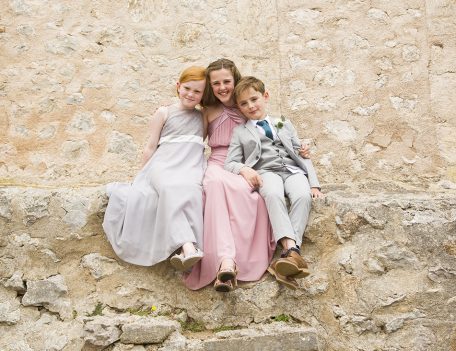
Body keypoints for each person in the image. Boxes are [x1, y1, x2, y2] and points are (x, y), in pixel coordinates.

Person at [184, 59, 311, 292]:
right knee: (214, 184)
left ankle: (271, 256)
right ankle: (225, 260)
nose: (222, 87)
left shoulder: (247, 107)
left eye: (226, 82)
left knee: (255, 195)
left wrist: (299, 151)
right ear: (211, 87)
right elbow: (193, 141)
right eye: (216, 83)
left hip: (250, 165)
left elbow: (275, 135)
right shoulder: (208, 111)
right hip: (219, 164)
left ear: (235, 80)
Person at [102, 66, 206, 271]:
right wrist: (142, 174)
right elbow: (150, 146)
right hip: (162, 165)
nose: (191, 94)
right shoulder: (164, 112)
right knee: (167, 188)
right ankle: (188, 246)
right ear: (178, 86)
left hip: (189, 166)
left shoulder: (202, 117)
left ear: (203, 95)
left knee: (191, 191)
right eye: (187, 88)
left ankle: (187, 249)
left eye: (197, 91)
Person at [225, 76, 324, 290]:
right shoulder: (240, 132)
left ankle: (289, 254)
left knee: (302, 195)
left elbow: (302, 153)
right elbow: (230, 162)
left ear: (265, 96)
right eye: (244, 103)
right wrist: (245, 169)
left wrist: (314, 184)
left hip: (292, 170)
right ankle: (291, 249)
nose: (250, 106)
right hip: (266, 171)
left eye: (254, 99)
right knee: (273, 195)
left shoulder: (283, 123)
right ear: (239, 108)